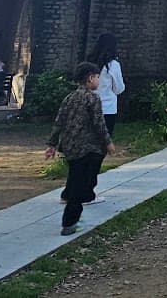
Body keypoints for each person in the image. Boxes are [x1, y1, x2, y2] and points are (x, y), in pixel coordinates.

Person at [43, 62, 113, 236]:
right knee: (80, 185)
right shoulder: (93, 98)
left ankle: (74, 206)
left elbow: (59, 121)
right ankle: (71, 221)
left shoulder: (69, 98)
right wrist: (108, 142)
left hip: (70, 146)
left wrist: (52, 144)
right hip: (88, 147)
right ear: (90, 78)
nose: (98, 81)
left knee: (75, 178)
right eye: (97, 77)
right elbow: (99, 123)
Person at [87, 33, 125, 138]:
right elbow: (119, 88)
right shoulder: (113, 65)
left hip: (88, 106)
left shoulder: (88, 63)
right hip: (107, 108)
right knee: (103, 141)